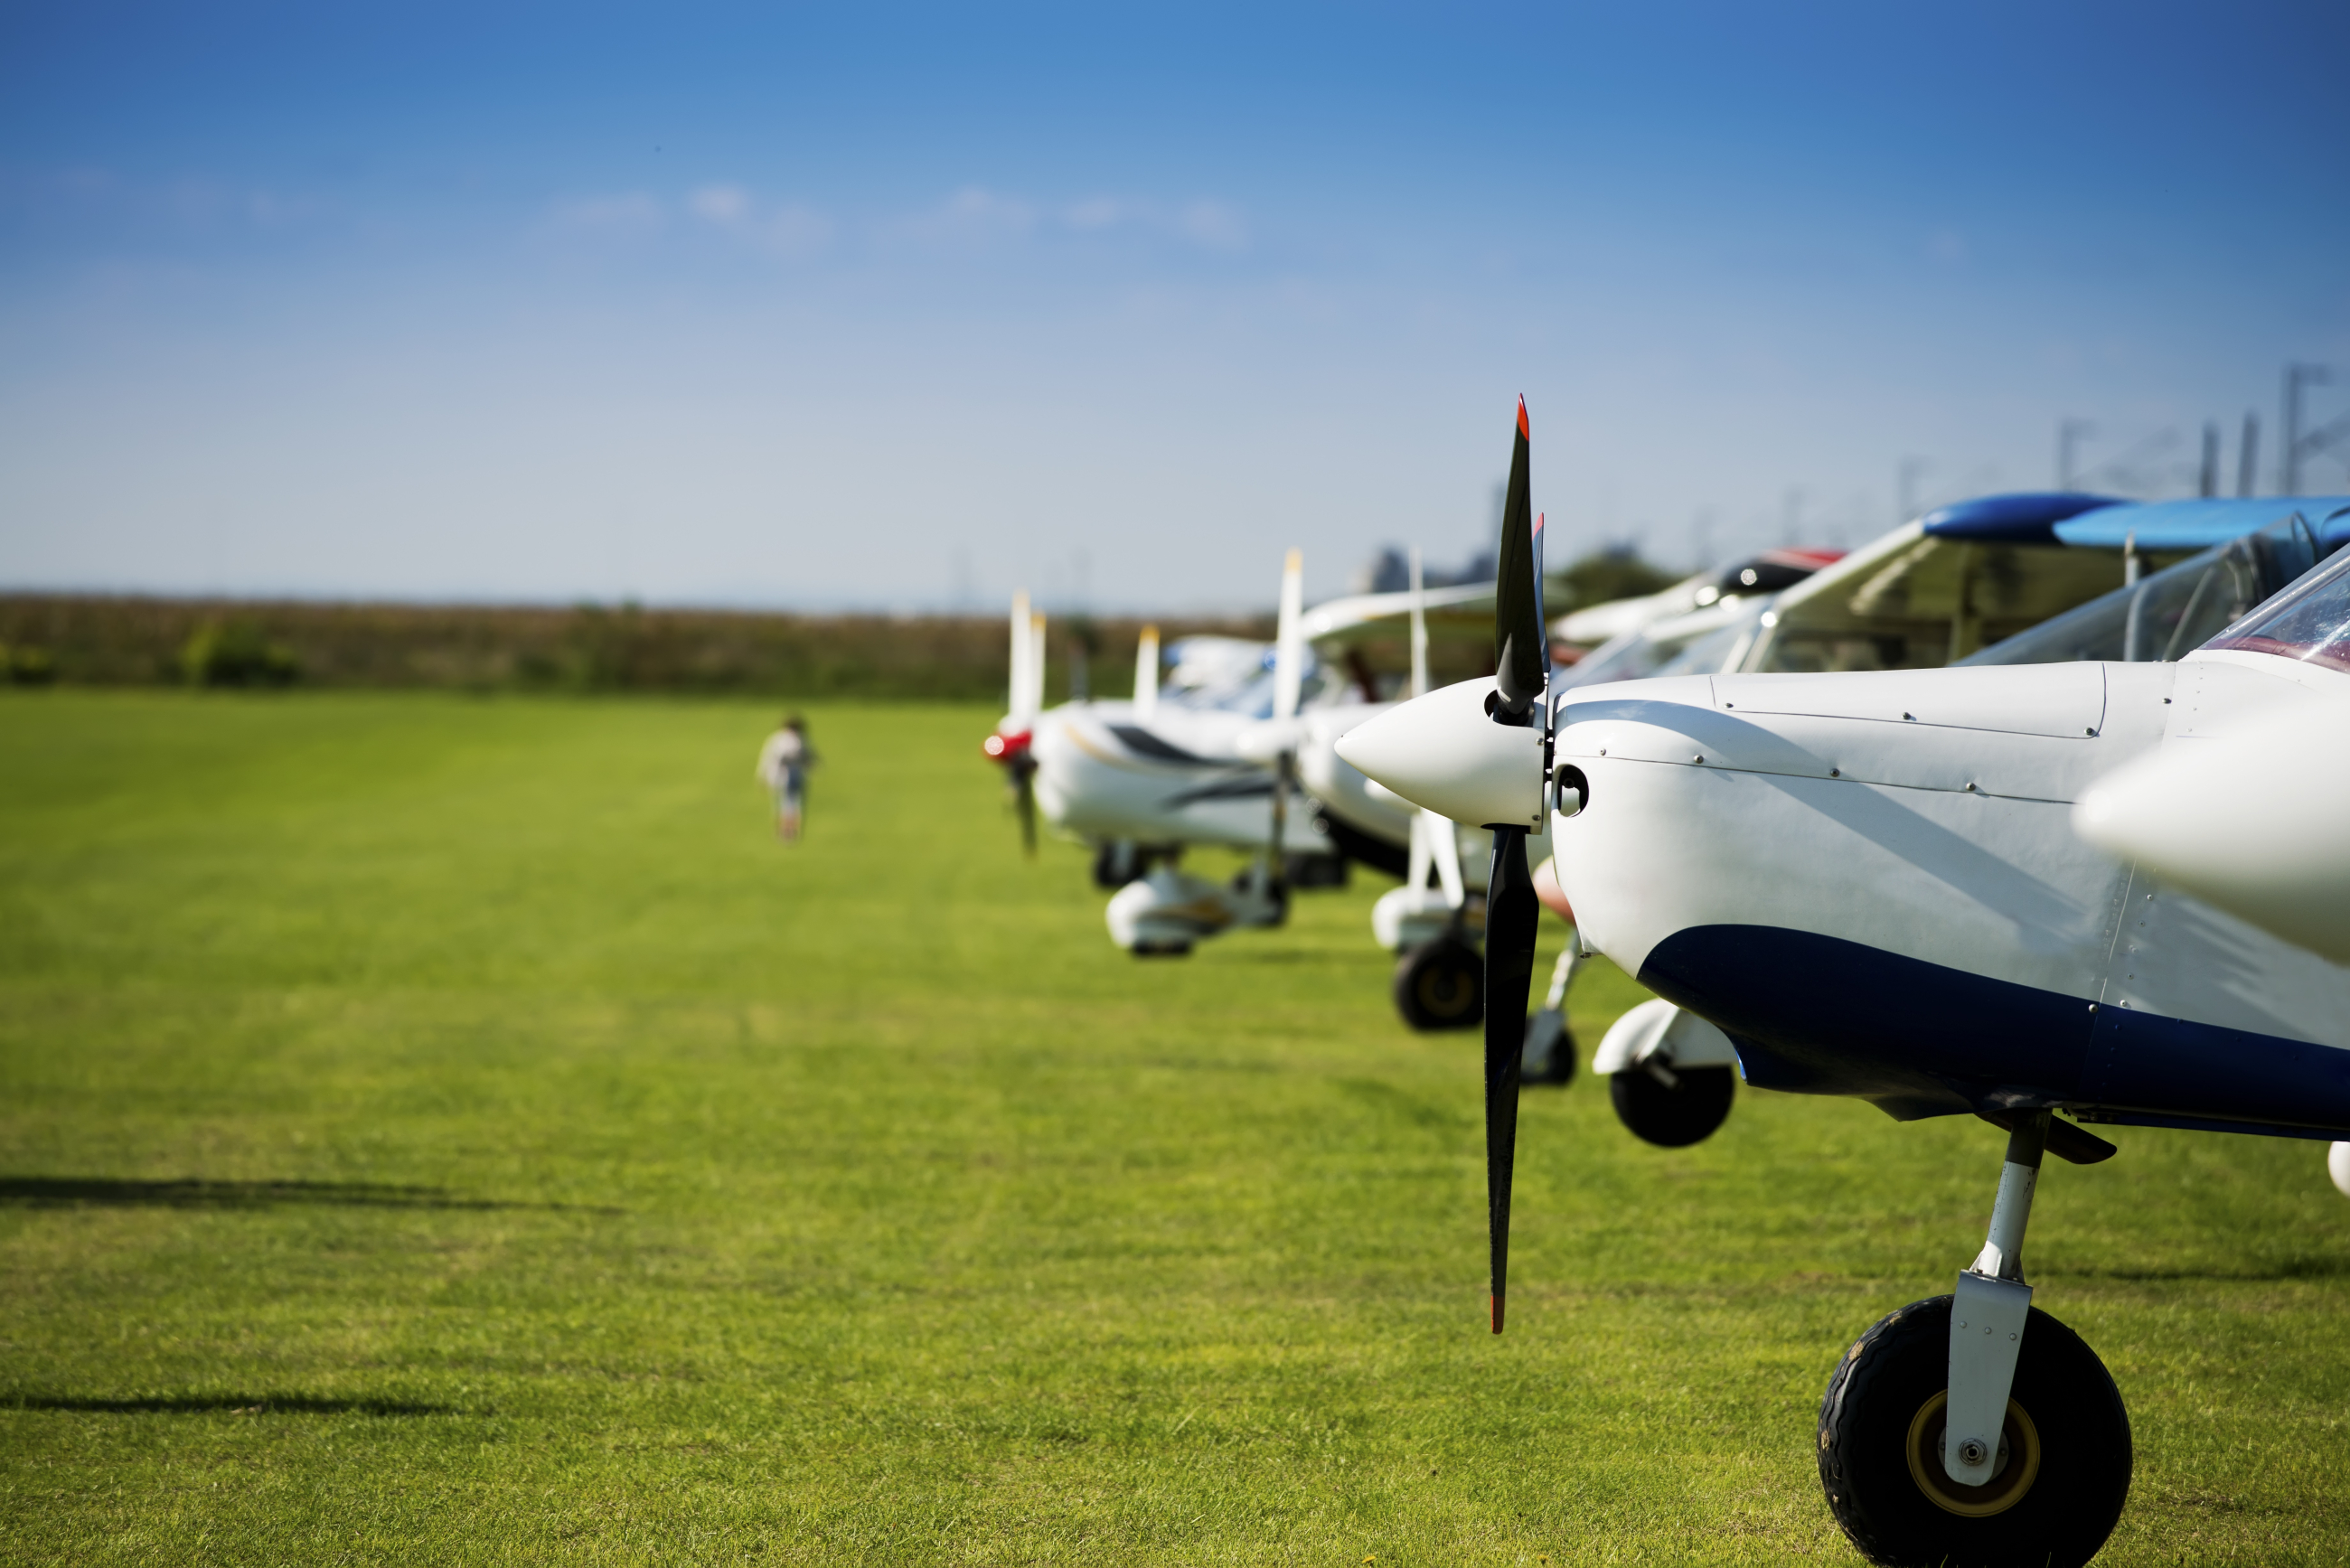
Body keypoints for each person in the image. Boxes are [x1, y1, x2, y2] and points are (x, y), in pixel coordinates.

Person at [754, 715, 817, 842]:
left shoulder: (778, 739)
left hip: (787, 776)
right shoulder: (799, 740)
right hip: (786, 776)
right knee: (790, 805)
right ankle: (788, 833)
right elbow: (810, 758)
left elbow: (767, 758)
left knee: (788, 805)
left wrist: (762, 775)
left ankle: (788, 833)